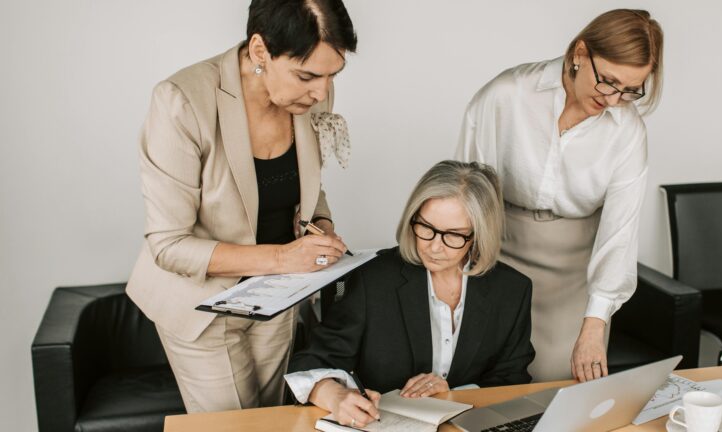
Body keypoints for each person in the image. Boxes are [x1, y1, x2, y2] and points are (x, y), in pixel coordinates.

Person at [126, 0, 357, 412]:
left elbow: (307, 184)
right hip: (200, 305)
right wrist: (285, 257)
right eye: (307, 75)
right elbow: (169, 245)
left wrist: (320, 225)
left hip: (277, 298)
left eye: (331, 75)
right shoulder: (181, 102)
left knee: (271, 419)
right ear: (258, 51)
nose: (322, 91)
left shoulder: (312, 94)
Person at [456, 9, 664, 383]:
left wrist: (595, 324)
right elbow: (467, 192)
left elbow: (620, 234)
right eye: (609, 82)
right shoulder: (507, 95)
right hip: (496, 254)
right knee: (485, 378)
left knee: (560, 386)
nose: (615, 100)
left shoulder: (628, 132)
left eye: (631, 89)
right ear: (580, 53)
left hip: (575, 276)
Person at [285, 160, 535, 428]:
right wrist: (334, 395)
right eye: (426, 228)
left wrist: (453, 391)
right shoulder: (372, 279)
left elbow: (511, 378)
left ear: (478, 235)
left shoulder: (512, 290)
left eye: (453, 235)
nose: (434, 247)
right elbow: (308, 362)